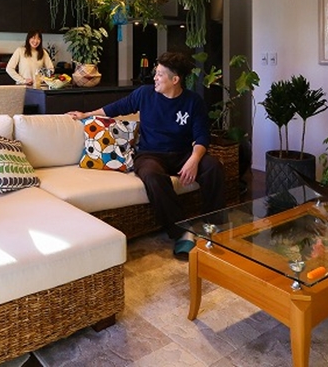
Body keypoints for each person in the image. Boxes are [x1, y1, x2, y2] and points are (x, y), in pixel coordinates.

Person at [67, 51, 225, 257]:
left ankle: (214, 225)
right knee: (151, 175)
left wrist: (194, 159)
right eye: (156, 73)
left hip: (182, 153)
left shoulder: (193, 101)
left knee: (213, 167)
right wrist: (86, 114)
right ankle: (181, 232)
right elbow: (116, 108)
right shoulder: (145, 94)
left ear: (175, 80)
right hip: (150, 154)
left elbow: (202, 136)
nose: (155, 78)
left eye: (160, 74)